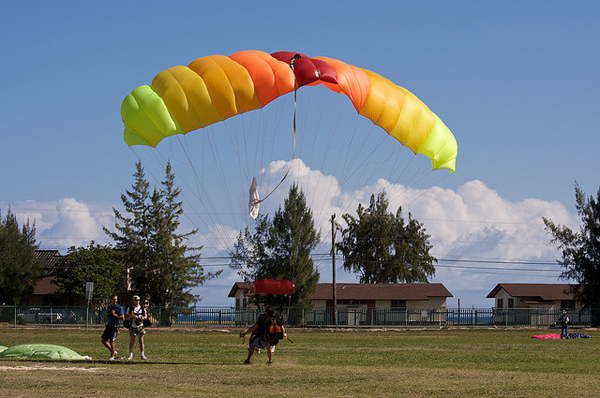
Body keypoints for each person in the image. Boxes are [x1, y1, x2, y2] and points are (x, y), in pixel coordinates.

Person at [101, 294, 125, 360]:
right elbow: (109, 315)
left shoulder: (119, 308)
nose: (115, 301)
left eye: (116, 300)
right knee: (104, 340)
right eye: (113, 299)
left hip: (115, 326)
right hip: (109, 325)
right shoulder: (110, 307)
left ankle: (112, 356)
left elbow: (122, 317)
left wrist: (115, 314)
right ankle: (113, 352)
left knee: (112, 340)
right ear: (111, 300)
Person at [126, 295, 148, 360]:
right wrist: (132, 317)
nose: (137, 301)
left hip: (140, 326)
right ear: (133, 301)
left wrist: (142, 318)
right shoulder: (130, 308)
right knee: (132, 340)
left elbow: (145, 316)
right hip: (132, 326)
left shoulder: (142, 308)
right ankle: (130, 354)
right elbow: (126, 317)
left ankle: (142, 354)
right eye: (136, 300)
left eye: (138, 300)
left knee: (141, 340)